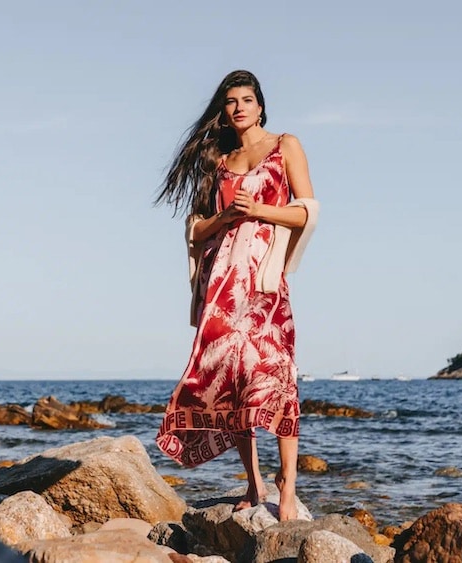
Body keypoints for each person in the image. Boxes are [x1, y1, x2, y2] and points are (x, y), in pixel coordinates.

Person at [153, 69, 319, 521]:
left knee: (276, 373)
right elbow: (196, 229)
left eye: (247, 99)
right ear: (224, 112)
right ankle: (253, 481)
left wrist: (259, 210)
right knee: (232, 379)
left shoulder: (286, 146)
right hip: (223, 284)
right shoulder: (219, 160)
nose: (240, 106)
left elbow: (307, 211)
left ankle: (287, 484)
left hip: (264, 284)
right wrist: (226, 216)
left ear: (261, 106)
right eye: (231, 101)